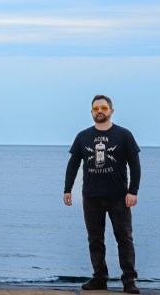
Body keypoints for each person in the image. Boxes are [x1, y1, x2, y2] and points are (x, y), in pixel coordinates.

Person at [64, 95, 141, 294]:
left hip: (119, 196)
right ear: (91, 112)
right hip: (91, 196)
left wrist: (133, 191)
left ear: (111, 111)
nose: (100, 110)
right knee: (95, 239)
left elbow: (135, 164)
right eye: (96, 108)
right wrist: (67, 189)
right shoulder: (83, 136)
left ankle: (129, 280)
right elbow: (73, 164)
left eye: (104, 108)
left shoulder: (124, 135)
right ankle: (99, 278)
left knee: (124, 238)